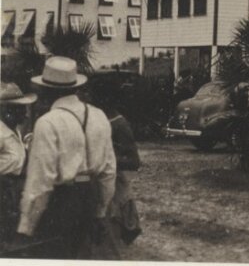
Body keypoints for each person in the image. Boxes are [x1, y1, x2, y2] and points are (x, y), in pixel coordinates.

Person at [12, 56, 116, 259]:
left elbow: (40, 180)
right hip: (90, 196)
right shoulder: (99, 116)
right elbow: (109, 171)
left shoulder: (48, 123)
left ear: (46, 91)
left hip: (61, 202)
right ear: (75, 87)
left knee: (55, 255)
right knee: (82, 255)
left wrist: (26, 226)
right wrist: (101, 210)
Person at [88, 81, 142, 258]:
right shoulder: (97, 119)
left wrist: (108, 160)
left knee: (111, 233)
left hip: (114, 184)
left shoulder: (119, 124)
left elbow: (134, 161)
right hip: (98, 182)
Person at [0, 82, 36, 246]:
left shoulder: (14, 131)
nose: (26, 115)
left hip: (13, 193)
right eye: (21, 109)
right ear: (7, 111)